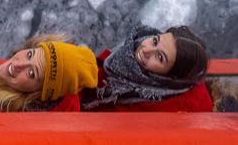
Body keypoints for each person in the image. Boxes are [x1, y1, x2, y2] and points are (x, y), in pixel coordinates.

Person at [0, 33, 98, 112]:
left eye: (32, 73)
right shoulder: (65, 95)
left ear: (40, 95)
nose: (18, 64)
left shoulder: (5, 114)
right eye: (30, 54)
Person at [81, 25, 213, 112]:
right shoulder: (129, 53)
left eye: (160, 57)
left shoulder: (140, 107)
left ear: (168, 78)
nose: (146, 50)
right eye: (155, 41)